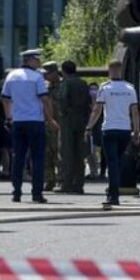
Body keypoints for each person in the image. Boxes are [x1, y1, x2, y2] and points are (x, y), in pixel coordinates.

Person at [2, 49, 58, 203]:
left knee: (18, 157)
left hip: (18, 121)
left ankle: (17, 193)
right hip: (35, 121)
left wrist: (9, 117)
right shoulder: (37, 78)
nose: (39, 62)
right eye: (37, 59)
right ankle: (37, 193)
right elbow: (45, 100)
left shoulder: (11, 76)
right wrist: (50, 119)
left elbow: (6, 99)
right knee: (37, 158)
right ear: (30, 60)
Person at [85, 60, 140, 207]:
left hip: (109, 129)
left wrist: (89, 126)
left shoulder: (105, 88)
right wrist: (136, 131)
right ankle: (115, 191)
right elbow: (134, 112)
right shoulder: (130, 88)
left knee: (112, 163)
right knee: (119, 161)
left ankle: (113, 195)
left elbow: (97, 110)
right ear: (121, 70)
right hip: (124, 130)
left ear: (109, 71)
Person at [56, 60, 93, 194]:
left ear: (63, 71)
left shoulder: (65, 83)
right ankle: (79, 184)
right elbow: (89, 102)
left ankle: (67, 184)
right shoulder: (83, 83)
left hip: (68, 120)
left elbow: (63, 100)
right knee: (80, 153)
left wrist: (63, 111)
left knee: (67, 153)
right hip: (82, 119)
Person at [40, 61, 62, 192]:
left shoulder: (63, 86)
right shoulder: (44, 87)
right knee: (46, 154)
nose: (45, 76)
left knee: (59, 154)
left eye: (47, 73)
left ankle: (61, 180)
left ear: (54, 73)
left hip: (60, 125)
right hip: (47, 123)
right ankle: (49, 180)